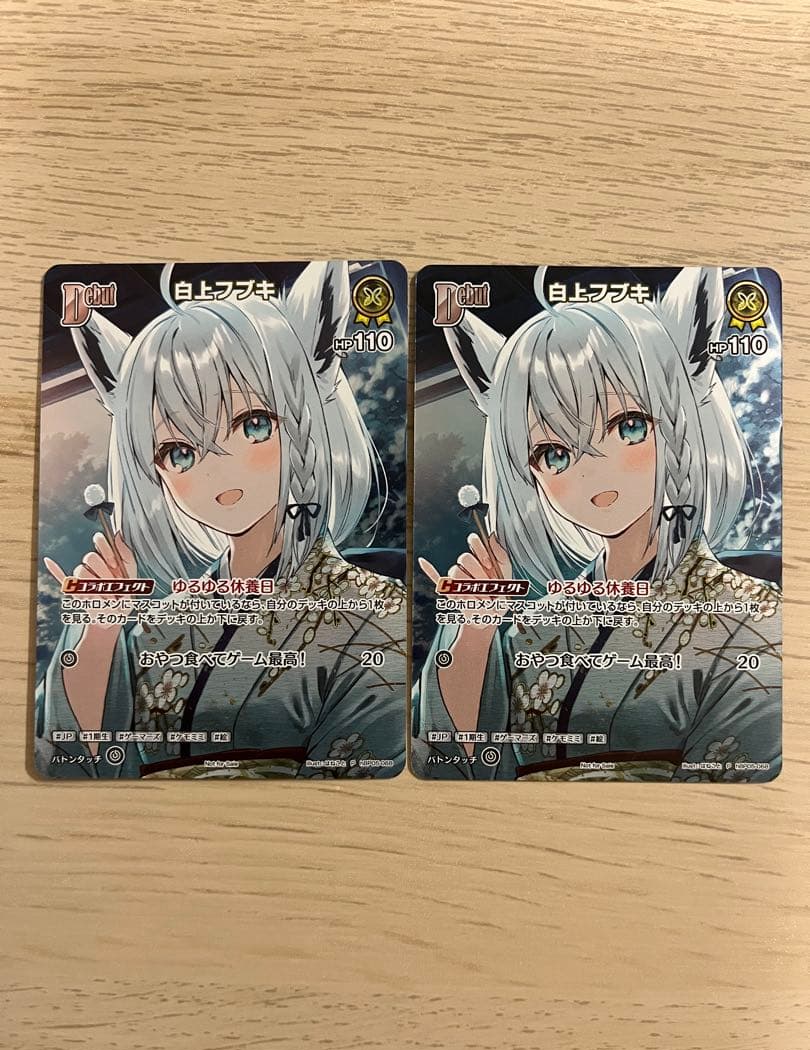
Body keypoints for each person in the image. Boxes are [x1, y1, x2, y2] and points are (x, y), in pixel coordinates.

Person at [36, 261, 406, 779]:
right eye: (179, 452)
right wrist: (98, 629)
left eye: (253, 425)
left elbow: (364, 770)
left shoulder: (377, 610)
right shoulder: (158, 624)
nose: (217, 469)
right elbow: (69, 762)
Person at [413, 267, 781, 781]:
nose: (590, 471)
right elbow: (454, 762)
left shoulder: (753, 618)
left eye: (628, 427)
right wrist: (475, 630)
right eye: (554, 454)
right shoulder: (534, 627)